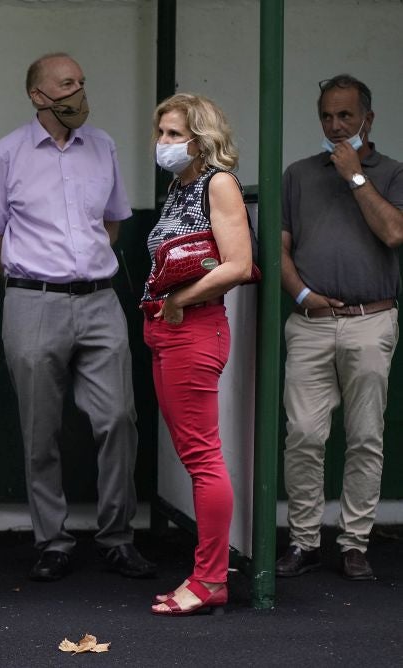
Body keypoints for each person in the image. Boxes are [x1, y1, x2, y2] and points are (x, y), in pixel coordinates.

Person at [0, 53, 154, 582]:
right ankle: (52, 540)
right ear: (38, 95)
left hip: (100, 299)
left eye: (81, 81)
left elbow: (114, 225)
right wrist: (33, 282)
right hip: (33, 301)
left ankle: (117, 537)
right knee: (40, 429)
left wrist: (81, 272)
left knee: (118, 417)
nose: (78, 91)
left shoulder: (104, 146)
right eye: (67, 83)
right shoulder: (6, 154)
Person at [277, 74, 403, 581]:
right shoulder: (299, 174)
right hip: (309, 322)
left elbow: (394, 232)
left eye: (345, 116)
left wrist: (355, 176)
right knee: (303, 435)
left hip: (371, 321)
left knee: (365, 437)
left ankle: (355, 543)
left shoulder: (391, 172)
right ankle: (305, 542)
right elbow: (280, 248)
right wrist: (302, 294)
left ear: (367, 120)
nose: (334, 126)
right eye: (326, 116)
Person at [141, 94, 253, 615]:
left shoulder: (218, 183)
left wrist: (180, 301)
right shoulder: (177, 187)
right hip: (166, 329)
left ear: (201, 139)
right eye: (160, 133)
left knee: (204, 458)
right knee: (194, 455)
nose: (162, 144)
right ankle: (205, 575)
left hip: (194, 328)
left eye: (172, 135)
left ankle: (210, 580)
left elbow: (239, 264)